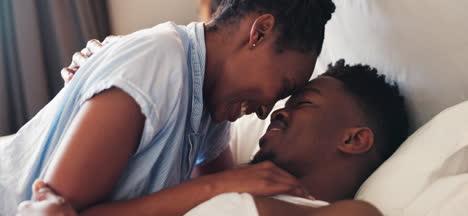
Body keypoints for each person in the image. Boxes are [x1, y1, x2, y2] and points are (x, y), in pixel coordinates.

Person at [0, 0, 344, 215]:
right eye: (282, 86)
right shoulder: (158, 62)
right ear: (260, 32)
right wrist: (220, 184)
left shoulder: (208, 103)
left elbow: (223, 202)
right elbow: (52, 209)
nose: (267, 109)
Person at [17, 60, 410, 216]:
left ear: (354, 140)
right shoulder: (228, 178)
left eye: (304, 103)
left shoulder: (350, 213)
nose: (278, 111)